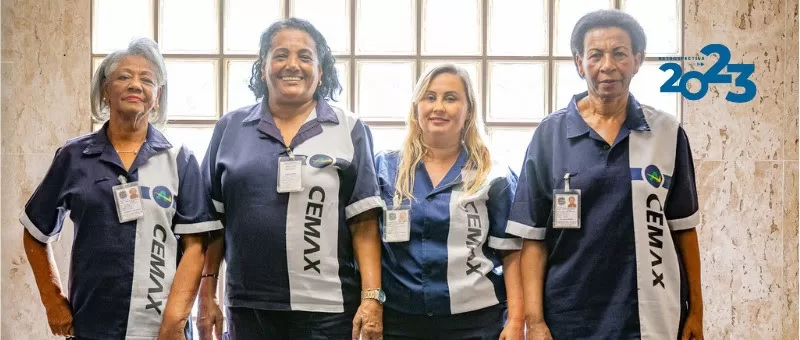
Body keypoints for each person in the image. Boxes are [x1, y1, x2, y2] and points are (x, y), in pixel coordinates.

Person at [507, 9, 704, 340]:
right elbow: (533, 238)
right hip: (569, 317)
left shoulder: (667, 133)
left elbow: (684, 230)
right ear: (579, 63)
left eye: (620, 53)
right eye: (595, 55)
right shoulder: (550, 135)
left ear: (637, 61)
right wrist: (534, 320)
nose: (607, 66)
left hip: (650, 315)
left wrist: (696, 312)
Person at [20, 37, 221, 340]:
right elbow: (35, 232)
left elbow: (195, 246)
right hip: (92, 326)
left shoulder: (179, 158)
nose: (135, 85)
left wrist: (174, 322)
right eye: (124, 77)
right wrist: (52, 301)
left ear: (157, 96)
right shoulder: (74, 157)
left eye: (147, 79)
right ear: (105, 89)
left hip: (162, 330)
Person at [196, 18, 384, 340]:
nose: (292, 65)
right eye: (281, 55)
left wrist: (372, 299)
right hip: (249, 307)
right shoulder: (229, 128)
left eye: (305, 57)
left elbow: (364, 223)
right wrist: (207, 294)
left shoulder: (349, 129)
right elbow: (212, 225)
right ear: (263, 65)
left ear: (321, 71)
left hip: (329, 311)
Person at [374, 64, 524, 340]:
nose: (439, 107)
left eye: (451, 98)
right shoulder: (385, 168)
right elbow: (367, 241)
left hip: (476, 322)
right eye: (430, 97)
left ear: (468, 111)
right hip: (399, 321)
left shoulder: (493, 173)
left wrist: (516, 321)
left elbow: (511, 252)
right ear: (416, 108)